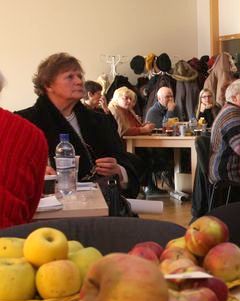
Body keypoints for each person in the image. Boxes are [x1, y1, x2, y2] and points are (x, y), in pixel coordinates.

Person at [16, 52, 139, 199]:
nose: (79, 81)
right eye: (70, 77)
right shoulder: (23, 122)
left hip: (100, 205)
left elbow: (126, 164)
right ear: (48, 85)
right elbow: (11, 170)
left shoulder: (100, 122)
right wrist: (36, 174)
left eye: (80, 76)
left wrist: (119, 171)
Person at [0, 71, 49, 228]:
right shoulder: (30, 132)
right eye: (69, 76)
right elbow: (30, 207)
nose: (78, 82)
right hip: (10, 238)